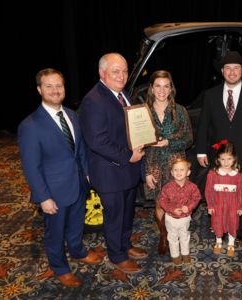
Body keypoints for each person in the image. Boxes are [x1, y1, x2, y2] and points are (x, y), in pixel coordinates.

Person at [18, 68, 102, 287]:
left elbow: (80, 150)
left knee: (76, 224)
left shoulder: (72, 115)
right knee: (54, 233)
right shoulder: (30, 126)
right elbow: (31, 167)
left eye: (59, 85)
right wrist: (43, 197)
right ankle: (60, 267)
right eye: (49, 86)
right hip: (53, 192)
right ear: (39, 89)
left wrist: (87, 176)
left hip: (77, 185)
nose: (55, 90)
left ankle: (78, 250)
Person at [79, 53, 147, 274]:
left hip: (127, 170)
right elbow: (97, 141)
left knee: (127, 212)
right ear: (102, 73)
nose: (122, 76)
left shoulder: (121, 94)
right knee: (115, 216)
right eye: (116, 71)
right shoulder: (94, 100)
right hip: (110, 171)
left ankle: (125, 245)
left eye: (125, 71)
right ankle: (117, 255)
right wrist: (128, 155)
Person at [196, 51, 242, 241]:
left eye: (236, 68)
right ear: (222, 71)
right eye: (228, 68)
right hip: (219, 157)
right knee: (220, 192)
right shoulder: (211, 95)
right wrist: (201, 151)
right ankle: (220, 223)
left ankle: (239, 226)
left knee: (241, 194)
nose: (232, 72)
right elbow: (203, 125)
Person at [143, 70, 193, 256]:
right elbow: (139, 145)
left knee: (177, 202)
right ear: (151, 88)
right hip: (153, 165)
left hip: (176, 167)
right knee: (159, 203)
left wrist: (169, 142)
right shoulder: (143, 112)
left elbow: (188, 139)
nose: (162, 90)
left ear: (171, 88)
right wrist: (146, 172)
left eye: (166, 85)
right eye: (158, 85)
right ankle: (164, 235)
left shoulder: (180, 111)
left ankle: (177, 234)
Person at [205, 140, 242, 257]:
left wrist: (240, 206)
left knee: (232, 223)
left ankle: (231, 243)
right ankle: (218, 241)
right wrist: (210, 205)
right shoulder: (213, 175)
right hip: (218, 205)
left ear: (234, 159)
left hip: (233, 206)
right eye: (223, 159)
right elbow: (208, 191)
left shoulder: (238, 176)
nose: (226, 162)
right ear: (218, 160)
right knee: (218, 223)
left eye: (229, 159)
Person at [158, 158, 202, 265]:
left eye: (182, 170)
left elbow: (197, 198)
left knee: (184, 235)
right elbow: (162, 201)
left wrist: (189, 206)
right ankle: (175, 255)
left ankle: (185, 253)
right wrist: (171, 209)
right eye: (176, 170)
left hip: (185, 217)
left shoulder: (192, 186)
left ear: (188, 172)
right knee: (172, 237)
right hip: (171, 218)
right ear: (172, 172)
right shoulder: (167, 187)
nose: (178, 172)